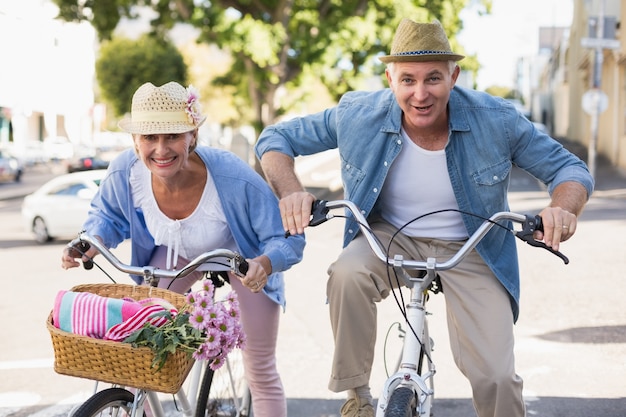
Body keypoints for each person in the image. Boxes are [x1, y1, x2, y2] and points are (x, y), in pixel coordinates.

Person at [254, 18, 594, 417]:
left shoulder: (497, 119)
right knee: (346, 274)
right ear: (390, 78)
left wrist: (562, 209)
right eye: (407, 80)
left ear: (454, 76)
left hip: (473, 245)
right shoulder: (357, 113)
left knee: (497, 377)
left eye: (433, 78)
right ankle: (358, 396)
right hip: (388, 236)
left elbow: (571, 171)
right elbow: (275, 139)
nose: (420, 94)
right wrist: (292, 191)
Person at [61, 81, 305, 417]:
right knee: (140, 352)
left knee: (260, 368)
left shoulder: (233, 176)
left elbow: (288, 238)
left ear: (192, 135)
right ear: (135, 141)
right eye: (149, 137)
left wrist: (266, 262)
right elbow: (107, 217)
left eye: (172, 135)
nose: (161, 149)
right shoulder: (125, 172)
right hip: (174, 256)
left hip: (241, 258)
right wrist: (88, 243)